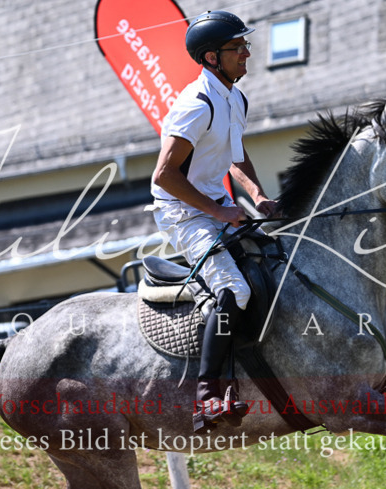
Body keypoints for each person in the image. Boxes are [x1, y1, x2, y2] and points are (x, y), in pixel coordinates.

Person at [150, 10, 279, 433]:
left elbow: (236, 155)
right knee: (233, 288)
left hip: (216, 202)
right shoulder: (196, 105)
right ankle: (205, 397)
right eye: (237, 47)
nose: (247, 52)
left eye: (245, 44)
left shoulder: (234, 97)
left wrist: (256, 195)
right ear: (211, 58)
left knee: (274, 259)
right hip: (183, 211)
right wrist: (219, 211)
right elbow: (165, 175)